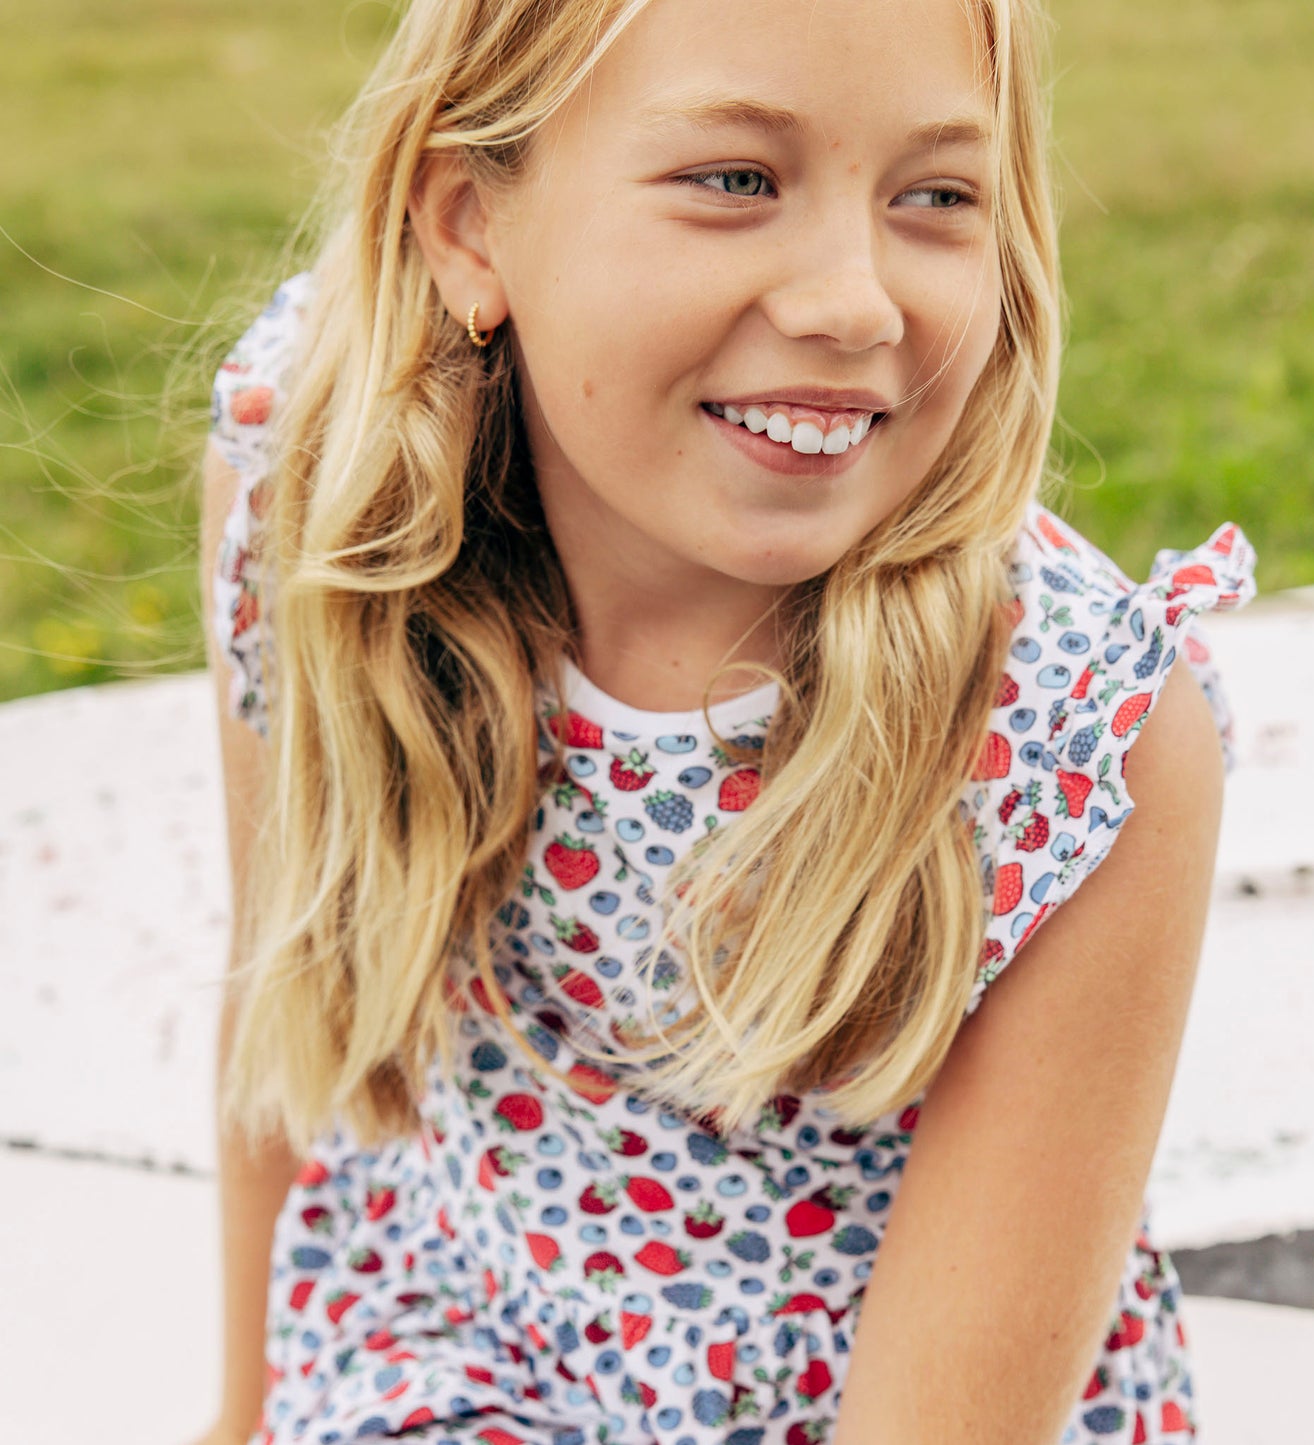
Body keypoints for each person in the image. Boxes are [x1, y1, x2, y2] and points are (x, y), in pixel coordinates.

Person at [195, 0, 1257, 1442]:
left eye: (938, 195)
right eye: (736, 179)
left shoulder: (1075, 741)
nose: (853, 303)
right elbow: (290, 997)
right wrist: (239, 1415)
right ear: (469, 225)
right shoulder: (317, 495)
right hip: (446, 1350)